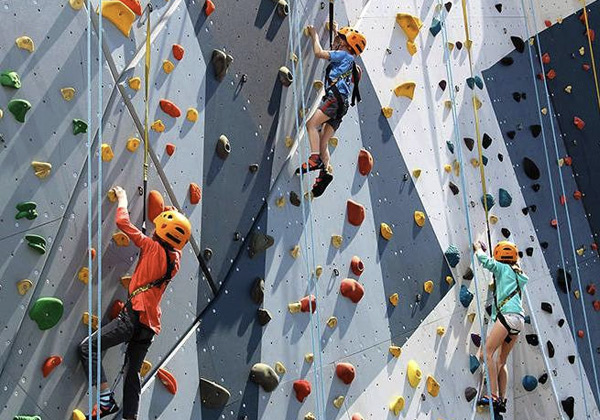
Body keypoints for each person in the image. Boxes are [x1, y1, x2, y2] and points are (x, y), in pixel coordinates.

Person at [78, 186, 191, 419]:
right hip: (149, 326)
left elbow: (122, 222)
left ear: (161, 229)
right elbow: (169, 242)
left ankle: (106, 401)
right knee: (132, 374)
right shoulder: (175, 261)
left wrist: (122, 198)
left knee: (88, 347)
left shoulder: (150, 246)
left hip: (133, 316)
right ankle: (131, 417)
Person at [296, 24, 366, 197]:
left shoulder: (343, 55)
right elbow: (342, 47)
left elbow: (319, 53)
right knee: (323, 141)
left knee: (311, 125)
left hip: (334, 99)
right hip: (342, 105)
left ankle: (315, 159)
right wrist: (336, 31)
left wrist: (314, 35)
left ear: (345, 45)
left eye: (337, 40)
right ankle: (325, 172)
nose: (334, 42)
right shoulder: (350, 61)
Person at [473, 240, 528, 414]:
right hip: (518, 320)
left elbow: (487, 262)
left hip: (507, 316)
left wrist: (478, 249)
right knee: (501, 360)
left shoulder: (503, 269)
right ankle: (502, 400)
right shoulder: (519, 275)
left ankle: (493, 395)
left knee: (486, 353)